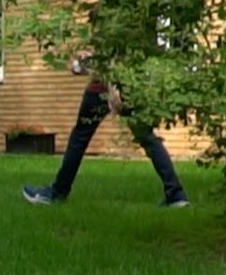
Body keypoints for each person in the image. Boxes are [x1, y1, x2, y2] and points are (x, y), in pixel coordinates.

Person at [22, 54, 190, 209]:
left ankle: (57, 193)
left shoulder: (109, 23)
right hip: (130, 87)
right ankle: (176, 194)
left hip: (103, 90)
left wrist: (111, 87)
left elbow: (109, 52)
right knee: (147, 137)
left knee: (79, 138)